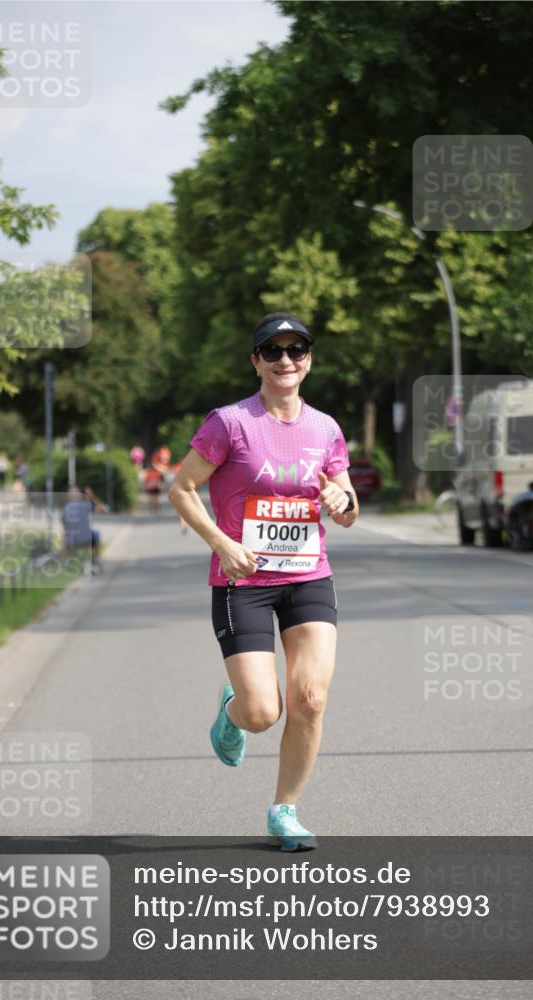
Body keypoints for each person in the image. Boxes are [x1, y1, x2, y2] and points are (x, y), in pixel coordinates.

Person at [169, 312, 359, 851]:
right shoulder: (229, 422)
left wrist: (339, 501)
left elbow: (348, 507)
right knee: (262, 713)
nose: (285, 361)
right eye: (272, 351)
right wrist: (222, 544)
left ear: (309, 360)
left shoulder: (326, 429)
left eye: (296, 350)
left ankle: (285, 810)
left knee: (312, 698)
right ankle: (232, 711)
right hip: (243, 581)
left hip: (308, 576)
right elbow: (181, 489)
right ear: (255, 361)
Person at [61, 486, 102, 574]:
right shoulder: (85, 505)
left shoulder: (65, 508)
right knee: (96, 534)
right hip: (87, 539)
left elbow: (64, 527)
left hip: (72, 541)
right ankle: (97, 560)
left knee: (65, 538)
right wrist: (91, 495)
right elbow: (100, 507)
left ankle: (65, 563)